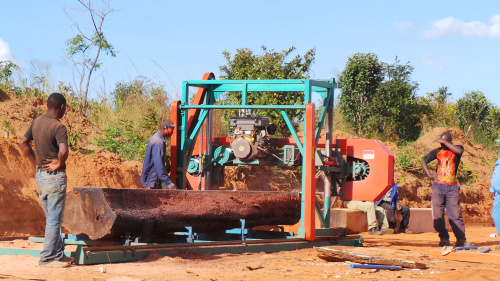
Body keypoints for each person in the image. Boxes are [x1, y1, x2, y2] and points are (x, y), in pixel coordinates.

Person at [18, 93, 73, 268]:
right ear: (62, 107)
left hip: (41, 176)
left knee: (51, 217)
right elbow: (63, 150)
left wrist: (37, 161)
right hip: (55, 178)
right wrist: (59, 163)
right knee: (54, 219)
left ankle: (57, 254)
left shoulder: (37, 122)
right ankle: (47, 258)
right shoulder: (58, 126)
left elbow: (23, 143)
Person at [420, 131, 469, 247]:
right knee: (437, 214)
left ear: (450, 141)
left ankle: (461, 239)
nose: (442, 145)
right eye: (440, 142)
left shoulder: (457, 149)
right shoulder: (437, 151)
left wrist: (445, 142)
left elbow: (459, 151)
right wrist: (429, 174)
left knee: (455, 214)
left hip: (452, 187)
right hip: (438, 186)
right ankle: (444, 238)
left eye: (444, 142)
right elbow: (423, 160)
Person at [141, 118, 177, 189]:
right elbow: (158, 164)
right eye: (172, 129)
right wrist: (168, 182)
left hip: (154, 177)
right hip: (154, 178)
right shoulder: (158, 142)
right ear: (166, 129)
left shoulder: (156, 137)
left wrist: (164, 156)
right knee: (173, 191)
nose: (172, 132)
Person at [490, 157, 500, 245]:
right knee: (496, 215)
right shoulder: (498, 161)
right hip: (498, 193)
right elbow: (495, 175)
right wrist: (491, 188)